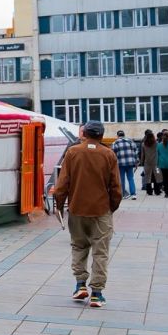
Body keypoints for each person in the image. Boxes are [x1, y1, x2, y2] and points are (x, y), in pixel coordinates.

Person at [53, 120, 122, 308]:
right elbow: (116, 187)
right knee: (100, 252)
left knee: (79, 246)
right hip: (100, 210)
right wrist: (111, 207)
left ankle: (80, 284)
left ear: (84, 133)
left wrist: (59, 205)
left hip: (77, 209)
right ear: (101, 135)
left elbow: (62, 184)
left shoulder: (72, 152)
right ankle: (97, 294)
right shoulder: (108, 154)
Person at [111, 130, 140, 200]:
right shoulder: (130, 142)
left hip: (120, 164)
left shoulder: (115, 143)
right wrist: (136, 162)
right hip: (130, 163)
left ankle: (123, 194)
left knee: (121, 179)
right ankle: (133, 194)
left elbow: (113, 154)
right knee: (130, 178)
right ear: (124, 135)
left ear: (117, 136)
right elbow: (136, 152)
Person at [139, 130, 160, 196]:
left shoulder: (143, 144)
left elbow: (143, 155)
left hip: (147, 163)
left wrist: (141, 162)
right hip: (156, 163)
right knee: (157, 176)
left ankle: (149, 191)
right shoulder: (157, 144)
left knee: (148, 177)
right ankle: (157, 191)